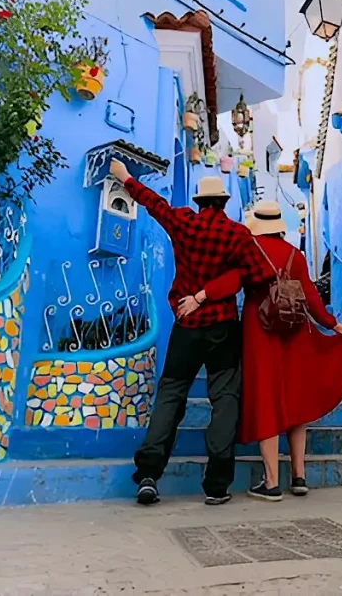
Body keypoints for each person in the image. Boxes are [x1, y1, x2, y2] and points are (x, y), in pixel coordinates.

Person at [109, 159, 272, 506]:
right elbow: (260, 276)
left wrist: (125, 178)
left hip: (186, 326)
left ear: (199, 202)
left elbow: (156, 205)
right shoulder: (238, 234)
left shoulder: (184, 222)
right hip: (224, 329)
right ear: (225, 203)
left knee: (170, 396)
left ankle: (149, 474)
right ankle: (217, 485)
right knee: (225, 401)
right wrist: (221, 288)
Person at [178, 201, 342, 501]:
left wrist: (202, 296)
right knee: (295, 402)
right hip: (294, 330)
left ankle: (272, 481)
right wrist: (333, 325)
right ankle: (299, 476)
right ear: (279, 225)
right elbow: (313, 298)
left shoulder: (247, 249)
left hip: (260, 331)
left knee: (266, 400)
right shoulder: (296, 255)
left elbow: (232, 282)